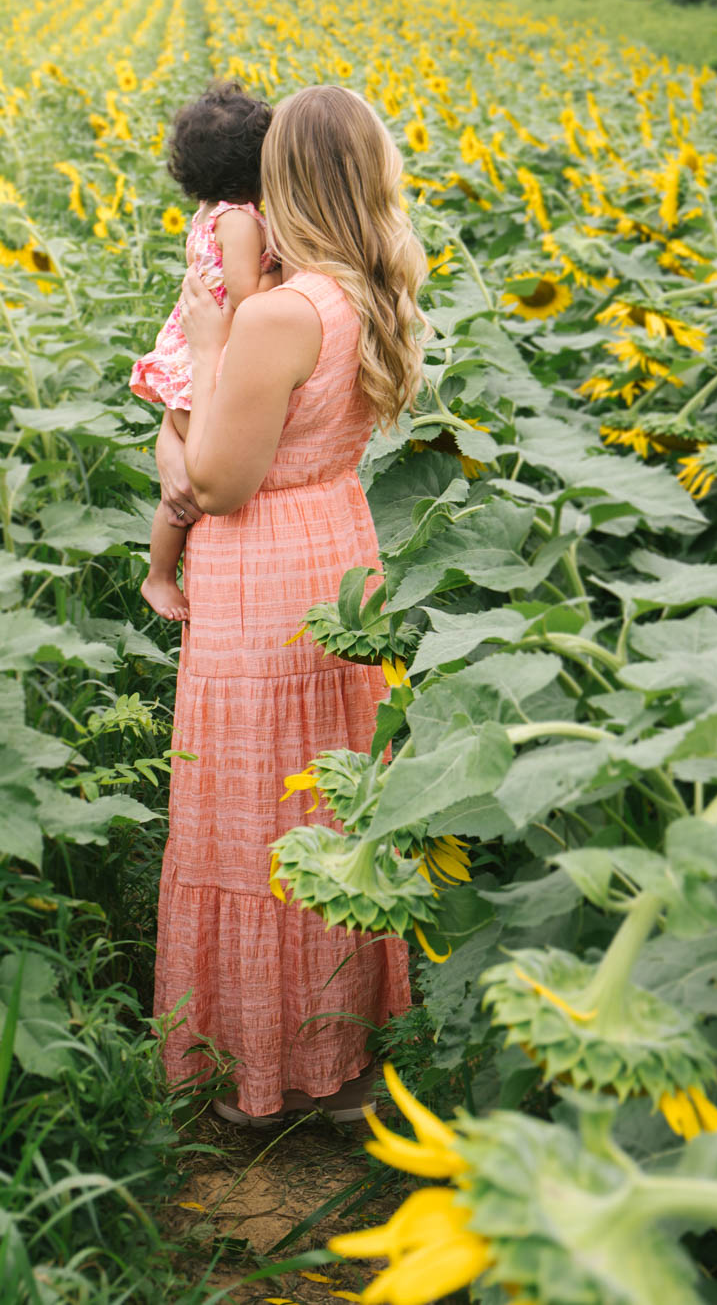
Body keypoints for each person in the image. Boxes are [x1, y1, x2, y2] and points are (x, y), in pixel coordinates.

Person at [152, 85, 428, 1124]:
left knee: (253, 814)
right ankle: (341, 1054)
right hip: (338, 547)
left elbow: (218, 482)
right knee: (329, 799)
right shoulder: (362, 291)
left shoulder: (273, 312)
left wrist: (210, 344)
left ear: (284, 177)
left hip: (260, 568)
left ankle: (262, 1076)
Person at [130, 82, 278, 622]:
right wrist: (282, 276)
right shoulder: (239, 221)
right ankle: (160, 576)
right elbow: (244, 298)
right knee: (196, 478)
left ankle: (161, 574)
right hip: (204, 359)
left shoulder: (209, 212)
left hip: (186, 355)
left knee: (183, 470)